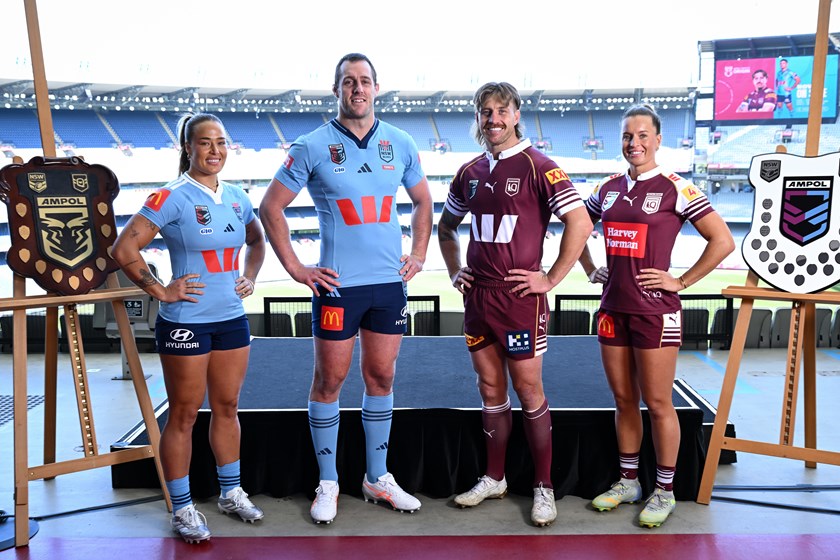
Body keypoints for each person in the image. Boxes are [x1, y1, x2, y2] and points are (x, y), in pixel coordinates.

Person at [259, 53, 433, 525]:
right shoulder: (312, 145)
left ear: (377, 88)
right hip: (338, 288)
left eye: (365, 81)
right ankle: (329, 481)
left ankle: (377, 477)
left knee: (381, 378)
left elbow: (422, 201)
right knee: (330, 381)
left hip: (387, 286)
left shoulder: (400, 142)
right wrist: (296, 267)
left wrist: (418, 254)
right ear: (336, 89)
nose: (357, 89)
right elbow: (270, 207)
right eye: (348, 82)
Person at [437, 82, 593, 527]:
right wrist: (453, 271)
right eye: (485, 112)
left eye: (501, 110)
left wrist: (550, 278)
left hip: (521, 300)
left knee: (528, 391)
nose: (493, 119)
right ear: (479, 118)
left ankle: (543, 487)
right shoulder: (468, 171)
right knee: (490, 390)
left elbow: (579, 223)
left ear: (517, 114)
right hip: (478, 297)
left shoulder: (539, 166)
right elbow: (447, 228)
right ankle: (494, 477)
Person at [112, 113, 266, 543]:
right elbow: (124, 247)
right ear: (187, 148)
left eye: (220, 142)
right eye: (204, 143)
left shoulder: (237, 197)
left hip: (231, 318)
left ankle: (231, 492)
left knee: (228, 407)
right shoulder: (171, 196)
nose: (214, 151)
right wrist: (160, 291)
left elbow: (256, 241)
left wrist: (249, 276)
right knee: (183, 414)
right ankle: (181, 507)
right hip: (186, 323)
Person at [578, 104, 734, 528]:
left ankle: (664, 490)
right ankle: (628, 482)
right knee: (624, 400)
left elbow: (722, 241)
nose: (635, 143)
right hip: (613, 309)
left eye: (643, 135)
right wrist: (591, 269)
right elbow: (576, 228)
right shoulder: (607, 189)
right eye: (628, 136)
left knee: (659, 403)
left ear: (659, 140)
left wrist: (681, 281)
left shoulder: (676, 188)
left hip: (655, 312)